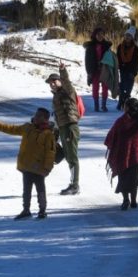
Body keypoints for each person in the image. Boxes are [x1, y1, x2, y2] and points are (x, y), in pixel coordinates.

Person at [0, 108, 56, 220]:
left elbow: (50, 152)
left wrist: (47, 168)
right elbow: (11, 129)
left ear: (45, 119)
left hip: (39, 168)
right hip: (26, 165)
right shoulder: (27, 128)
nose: (36, 117)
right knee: (26, 190)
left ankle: (42, 211)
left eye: (39, 116)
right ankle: (26, 210)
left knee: (40, 190)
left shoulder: (48, 134)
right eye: (36, 115)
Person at [104, 98, 138, 210]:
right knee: (134, 178)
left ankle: (125, 199)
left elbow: (111, 135)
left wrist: (110, 144)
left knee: (123, 177)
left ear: (127, 107)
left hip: (122, 154)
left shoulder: (121, 121)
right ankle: (134, 201)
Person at [46, 63, 82, 195]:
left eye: (54, 81)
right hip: (62, 128)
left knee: (72, 157)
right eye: (50, 83)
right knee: (67, 156)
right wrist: (55, 132)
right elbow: (57, 116)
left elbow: (66, 81)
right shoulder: (55, 96)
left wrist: (62, 70)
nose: (52, 84)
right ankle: (73, 184)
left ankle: (75, 185)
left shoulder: (68, 91)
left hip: (70, 127)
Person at [84, 28, 113, 112]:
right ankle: (96, 105)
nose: (100, 36)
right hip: (94, 69)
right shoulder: (90, 46)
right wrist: (89, 71)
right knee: (95, 87)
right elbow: (87, 60)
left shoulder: (107, 46)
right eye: (98, 34)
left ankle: (103, 105)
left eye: (102, 34)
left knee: (105, 87)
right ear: (94, 35)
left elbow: (110, 58)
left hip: (104, 69)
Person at [116, 31, 138, 111]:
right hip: (123, 69)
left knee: (129, 88)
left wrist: (134, 72)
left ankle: (126, 104)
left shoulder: (135, 48)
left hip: (131, 71)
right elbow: (118, 58)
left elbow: (137, 61)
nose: (127, 37)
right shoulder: (120, 47)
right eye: (126, 35)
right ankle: (121, 102)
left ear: (132, 37)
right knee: (122, 87)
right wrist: (119, 66)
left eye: (129, 36)